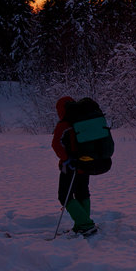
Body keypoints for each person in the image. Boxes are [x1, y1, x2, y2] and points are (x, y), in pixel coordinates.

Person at [52, 96, 98, 236]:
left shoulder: (64, 123)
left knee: (64, 195)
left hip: (70, 166)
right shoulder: (85, 119)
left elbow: (55, 144)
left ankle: (85, 224)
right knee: (82, 191)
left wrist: (66, 158)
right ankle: (82, 224)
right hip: (86, 162)